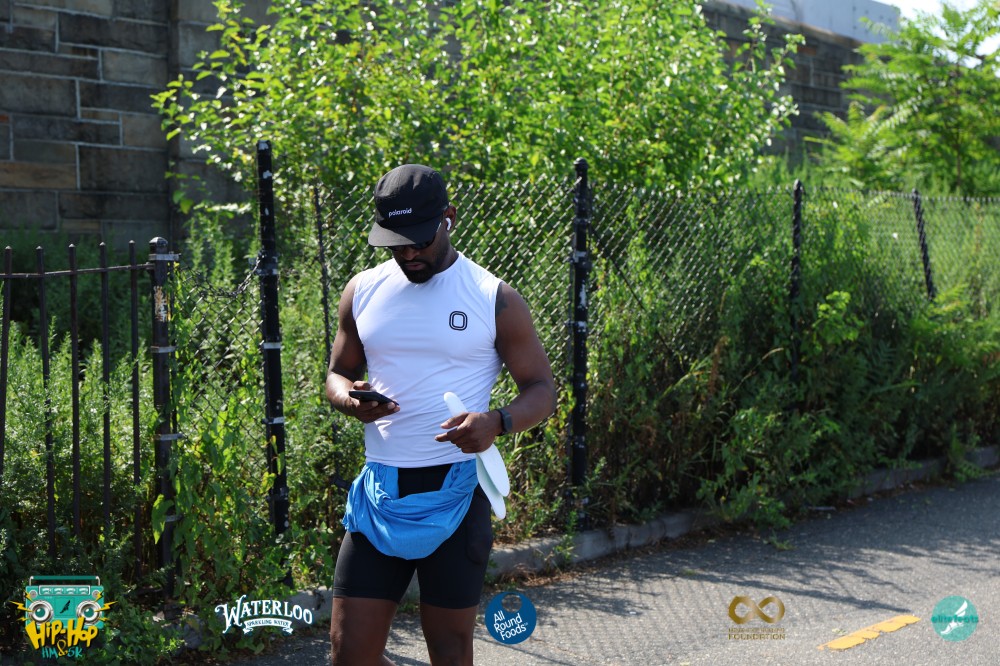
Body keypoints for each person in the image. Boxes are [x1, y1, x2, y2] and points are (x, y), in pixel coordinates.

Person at [325, 163, 556, 666]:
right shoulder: (363, 289)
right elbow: (338, 373)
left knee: (450, 653)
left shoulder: (493, 297)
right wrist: (349, 399)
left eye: (419, 240)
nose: (408, 253)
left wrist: (496, 422)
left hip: (458, 490)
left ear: (448, 218)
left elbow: (541, 388)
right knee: (348, 654)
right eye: (395, 243)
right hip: (380, 491)